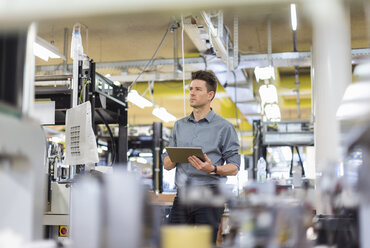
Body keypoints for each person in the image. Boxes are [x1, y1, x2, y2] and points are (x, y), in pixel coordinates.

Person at [162, 70, 240, 243]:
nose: (191, 93)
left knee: (204, 244)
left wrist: (213, 168)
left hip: (210, 195)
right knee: (174, 243)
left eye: (198, 89)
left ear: (210, 95)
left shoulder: (224, 128)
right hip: (182, 195)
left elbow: (234, 167)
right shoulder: (179, 126)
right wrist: (177, 156)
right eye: (190, 89)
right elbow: (167, 165)